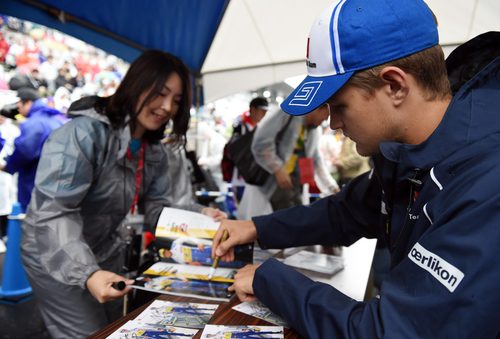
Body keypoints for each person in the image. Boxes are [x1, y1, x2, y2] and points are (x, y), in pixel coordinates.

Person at [211, 1, 500, 338]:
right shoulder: (410, 154)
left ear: (394, 85)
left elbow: (390, 332)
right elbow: (346, 211)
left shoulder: (486, 180)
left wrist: (270, 279)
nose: (333, 123)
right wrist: (255, 227)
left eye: (339, 105)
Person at [20, 50, 225, 338]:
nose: (167, 107)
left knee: (114, 327)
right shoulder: (82, 135)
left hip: (102, 251)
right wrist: (87, 273)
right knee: (90, 332)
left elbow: (158, 211)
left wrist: (200, 216)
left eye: (177, 101)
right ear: (136, 85)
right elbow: (53, 212)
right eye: (160, 93)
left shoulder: (154, 150)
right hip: (53, 253)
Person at [237, 105, 339, 219]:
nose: (325, 120)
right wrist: (277, 170)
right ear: (317, 108)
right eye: (327, 115)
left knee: (292, 221)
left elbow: (315, 160)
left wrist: (331, 186)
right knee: (265, 223)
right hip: (268, 183)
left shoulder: (313, 130)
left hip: (293, 186)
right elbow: (261, 144)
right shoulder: (287, 114)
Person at [1, 87, 66, 212]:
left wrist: (8, 166)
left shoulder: (35, 123)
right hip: (56, 182)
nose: (17, 107)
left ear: (29, 102)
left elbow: (24, 151)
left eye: (19, 103)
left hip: (35, 181)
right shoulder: (56, 120)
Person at [222, 96, 268, 202]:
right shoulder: (240, 128)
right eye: (262, 111)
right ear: (253, 109)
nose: (264, 114)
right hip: (240, 176)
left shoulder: (262, 129)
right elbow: (232, 150)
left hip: (256, 176)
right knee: (241, 205)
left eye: (265, 111)